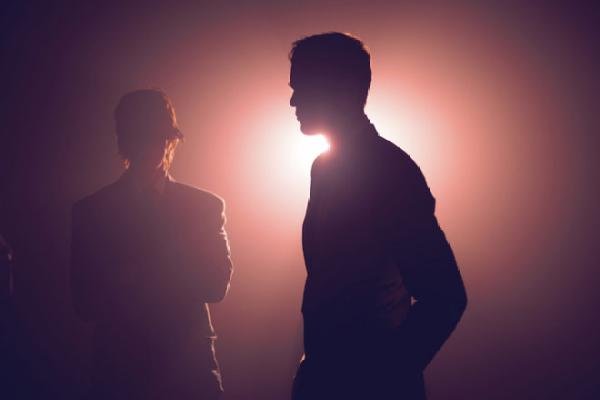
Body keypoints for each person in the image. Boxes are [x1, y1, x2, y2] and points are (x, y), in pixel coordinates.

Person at [289, 32, 467, 400]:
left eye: (301, 87)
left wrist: (384, 374)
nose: (293, 100)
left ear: (339, 88)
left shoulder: (389, 171)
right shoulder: (325, 167)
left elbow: (445, 295)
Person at [70, 89, 233, 400]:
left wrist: (130, 277)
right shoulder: (91, 212)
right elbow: (84, 301)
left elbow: (216, 285)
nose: (146, 145)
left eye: (152, 135)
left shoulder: (204, 207)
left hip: (174, 376)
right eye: (139, 134)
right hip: (127, 376)